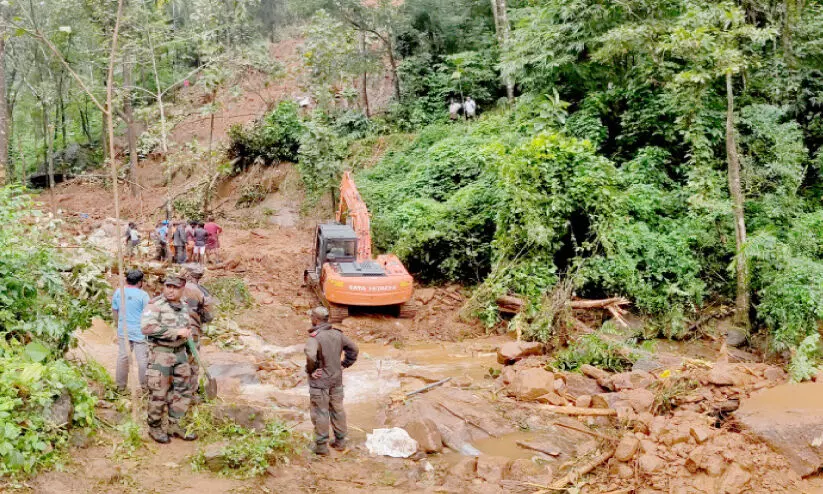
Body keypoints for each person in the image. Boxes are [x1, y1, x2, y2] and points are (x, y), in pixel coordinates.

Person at [141, 274, 197, 444]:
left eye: (175, 287)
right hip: (161, 354)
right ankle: (155, 427)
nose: (170, 290)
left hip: (180, 353)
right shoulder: (156, 305)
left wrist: (190, 349)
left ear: (182, 289)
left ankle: (176, 424)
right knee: (159, 392)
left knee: (182, 390)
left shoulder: (184, 306)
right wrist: (175, 333)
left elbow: (187, 328)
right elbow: (147, 327)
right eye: (168, 286)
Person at [304, 306, 359, 455]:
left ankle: (321, 447)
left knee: (320, 412)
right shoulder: (338, 334)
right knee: (338, 410)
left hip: (320, 382)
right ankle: (340, 442)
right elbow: (354, 349)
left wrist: (312, 370)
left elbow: (310, 356)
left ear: (315, 319)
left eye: (312, 317)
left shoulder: (315, 337)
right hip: (336, 379)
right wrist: (345, 363)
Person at [112, 269, 151, 393]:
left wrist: (118, 325)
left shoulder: (118, 292)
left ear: (126, 280)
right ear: (140, 282)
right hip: (140, 332)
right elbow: (148, 315)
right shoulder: (143, 295)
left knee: (123, 357)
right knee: (142, 360)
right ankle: (145, 388)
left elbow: (115, 311)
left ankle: (120, 386)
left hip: (124, 331)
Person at [180, 263, 215, 396]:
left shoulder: (174, 286)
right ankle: (191, 391)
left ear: (188, 274)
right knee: (193, 361)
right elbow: (209, 316)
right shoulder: (202, 292)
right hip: (193, 330)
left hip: (174, 329)